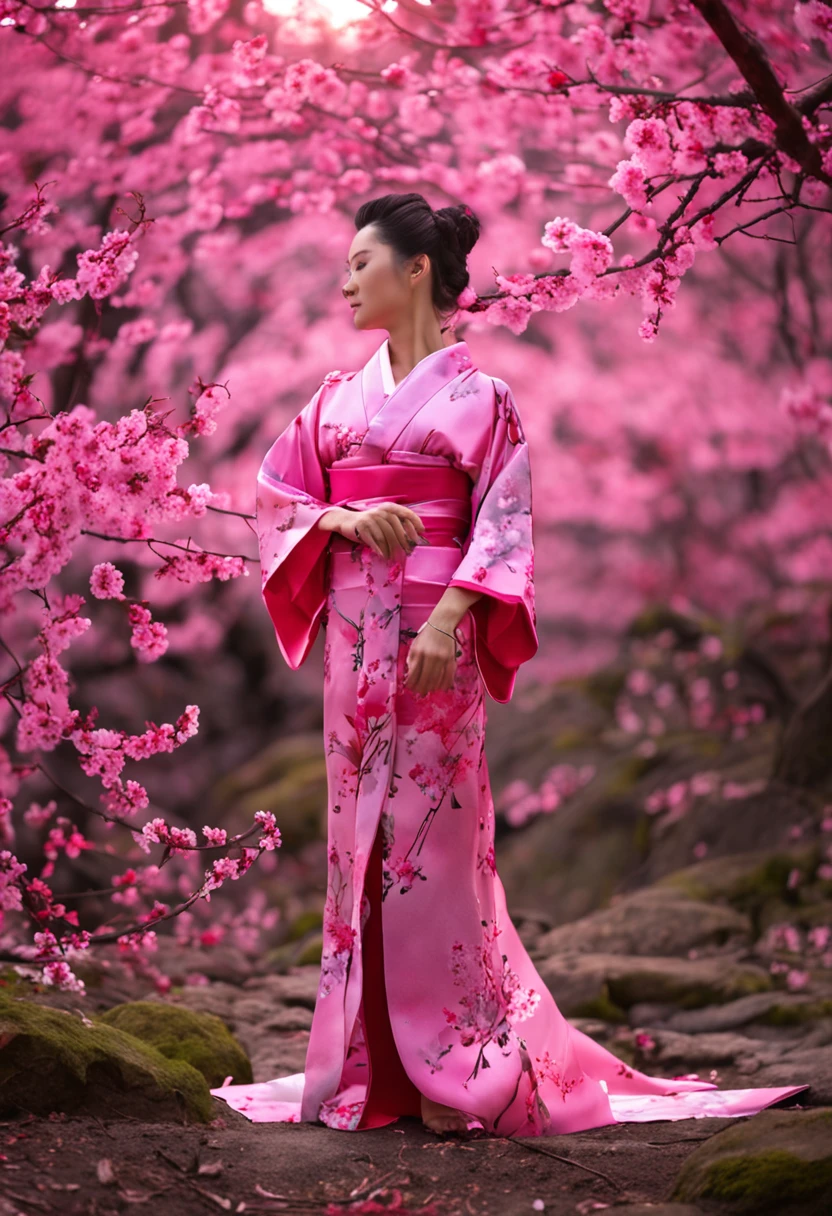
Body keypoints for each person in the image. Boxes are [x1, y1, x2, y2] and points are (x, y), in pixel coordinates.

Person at [211, 193, 808, 1136]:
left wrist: (451, 618)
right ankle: (370, 1069)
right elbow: (278, 495)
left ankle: (460, 1061)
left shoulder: (482, 401)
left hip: (434, 648)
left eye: (361, 261)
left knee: (433, 856)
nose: (343, 279)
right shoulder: (331, 399)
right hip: (353, 655)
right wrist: (343, 517)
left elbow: (505, 525)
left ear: (415, 272)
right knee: (355, 857)